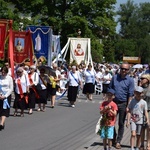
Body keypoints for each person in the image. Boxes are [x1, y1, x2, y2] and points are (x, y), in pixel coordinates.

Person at [109, 62, 134, 149]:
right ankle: (113, 138)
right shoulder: (115, 78)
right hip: (114, 102)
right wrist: (111, 96)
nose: (124, 70)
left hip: (123, 103)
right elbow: (110, 88)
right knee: (111, 122)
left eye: (126, 69)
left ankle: (118, 141)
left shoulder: (130, 80)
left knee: (121, 123)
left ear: (128, 70)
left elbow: (130, 94)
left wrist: (128, 106)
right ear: (120, 68)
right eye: (122, 68)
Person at [0, 66, 13, 131]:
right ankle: (2, 121)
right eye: (2, 72)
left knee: (4, 110)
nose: (3, 74)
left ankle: (1, 124)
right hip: (0, 95)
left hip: (6, 96)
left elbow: (11, 88)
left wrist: (5, 96)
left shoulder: (9, 78)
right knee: (0, 110)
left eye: (4, 72)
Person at [139, 74, 150, 150]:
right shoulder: (140, 88)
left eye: (143, 78)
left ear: (147, 80)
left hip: (149, 109)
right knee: (142, 128)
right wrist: (139, 87)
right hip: (141, 110)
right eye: (141, 78)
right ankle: (142, 144)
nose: (141, 79)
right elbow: (136, 97)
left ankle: (148, 144)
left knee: (149, 127)